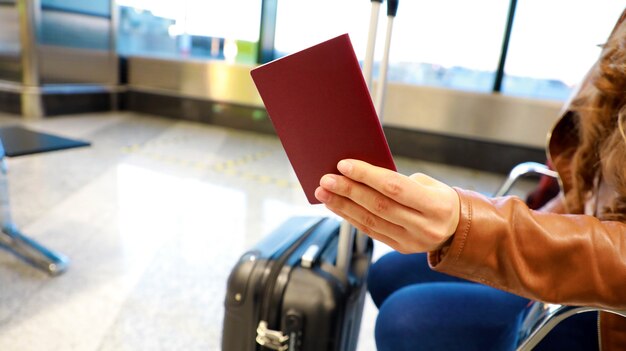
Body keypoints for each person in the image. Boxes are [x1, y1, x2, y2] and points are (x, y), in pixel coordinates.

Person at [314, 9, 626, 351]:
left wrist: (471, 224)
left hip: (605, 316)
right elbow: (595, 182)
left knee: (405, 319)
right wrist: (544, 218)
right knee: (389, 271)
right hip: (584, 250)